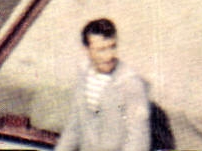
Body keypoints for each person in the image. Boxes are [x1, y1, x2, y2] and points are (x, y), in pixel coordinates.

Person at [55, 17, 151, 151]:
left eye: (112, 47)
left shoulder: (131, 83)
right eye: (101, 50)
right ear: (87, 50)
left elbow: (138, 139)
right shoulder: (83, 76)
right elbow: (73, 128)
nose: (109, 56)